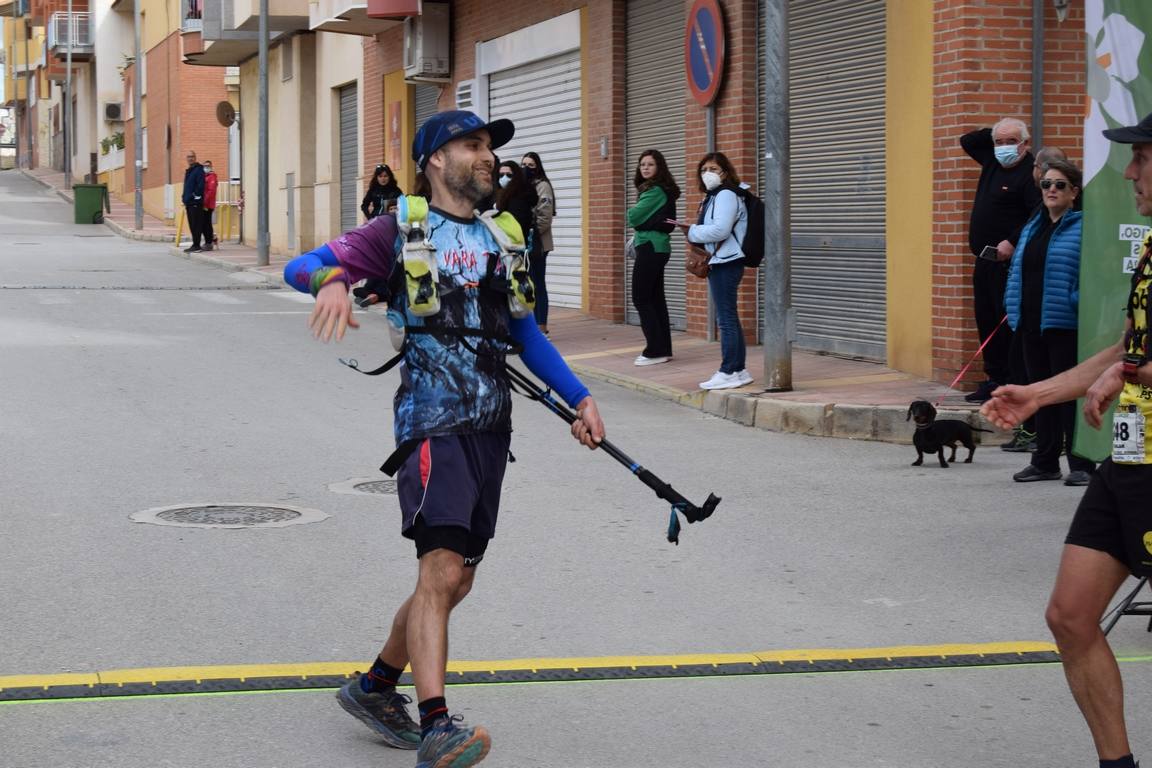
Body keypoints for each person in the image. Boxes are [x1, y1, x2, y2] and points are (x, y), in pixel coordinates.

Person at [283, 109, 605, 768]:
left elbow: (528, 334)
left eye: (489, 146)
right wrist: (334, 281)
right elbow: (304, 265)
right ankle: (436, 726)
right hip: (433, 420)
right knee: (440, 569)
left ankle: (374, 686)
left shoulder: (500, 236)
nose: (488, 157)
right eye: (474, 144)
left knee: (457, 582)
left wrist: (581, 398)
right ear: (436, 160)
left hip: (492, 424)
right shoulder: (400, 228)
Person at [981, 111, 1152, 768]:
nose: (1131, 170)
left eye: (1141, 158)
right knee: (1070, 616)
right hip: (1131, 458)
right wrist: (1039, 394)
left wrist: (1128, 370)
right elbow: (1126, 346)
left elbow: (1130, 360)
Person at [1002, 158, 1095, 486]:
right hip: (1030, 322)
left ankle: (1081, 463)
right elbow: (1019, 268)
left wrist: (1075, 302)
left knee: (1069, 395)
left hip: (1064, 324)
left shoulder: (1084, 226)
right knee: (1039, 394)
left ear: (1074, 192)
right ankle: (1044, 460)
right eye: (1046, 184)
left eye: (1060, 185)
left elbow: (1093, 275)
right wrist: (1012, 304)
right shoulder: (1033, 225)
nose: (1051, 190)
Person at [960, 118, 1042, 403]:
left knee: (1004, 323)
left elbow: (1038, 214)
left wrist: (1013, 239)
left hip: (1009, 264)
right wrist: (997, 130)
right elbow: (968, 140)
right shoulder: (991, 162)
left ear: (1025, 144)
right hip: (984, 260)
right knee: (985, 319)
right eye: (999, 142)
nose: (1004, 147)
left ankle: (1010, 381)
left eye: (1011, 141)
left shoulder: (1030, 174)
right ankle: (993, 379)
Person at [678, 152, 753, 390]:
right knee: (729, 316)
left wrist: (691, 232)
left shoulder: (726, 195)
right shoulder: (714, 196)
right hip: (723, 261)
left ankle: (729, 370)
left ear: (725, 172)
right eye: (704, 169)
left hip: (727, 262)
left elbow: (720, 230)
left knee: (726, 318)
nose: (708, 174)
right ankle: (739, 370)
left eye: (714, 169)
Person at [627, 149, 680, 365]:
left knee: (640, 297)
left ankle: (655, 350)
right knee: (656, 299)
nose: (646, 168)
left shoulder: (654, 191)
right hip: (657, 247)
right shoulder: (659, 190)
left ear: (659, 167)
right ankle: (664, 349)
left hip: (650, 247)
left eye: (650, 164)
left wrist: (642, 222)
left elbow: (633, 217)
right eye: (642, 165)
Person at [521, 152, 554, 335]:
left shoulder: (542, 186)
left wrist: (529, 234)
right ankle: (530, 325)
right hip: (523, 244)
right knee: (526, 285)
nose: (526, 168)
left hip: (538, 244)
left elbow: (544, 217)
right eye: (523, 164)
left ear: (538, 167)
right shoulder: (522, 187)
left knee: (537, 283)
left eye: (531, 165)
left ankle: (542, 326)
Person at [493, 160, 538, 245]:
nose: (504, 178)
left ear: (516, 176)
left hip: (516, 242)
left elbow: (517, 222)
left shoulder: (521, 195)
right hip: (504, 241)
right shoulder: (498, 193)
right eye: (501, 175)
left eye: (509, 175)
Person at [181, 151, 206, 254]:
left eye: (192, 157)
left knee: (196, 225)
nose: (190, 158)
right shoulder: (189, 171)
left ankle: (197, 245)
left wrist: (194, 197)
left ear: (195, 157)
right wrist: (184, 197)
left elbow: (200, 186)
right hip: (189, 203)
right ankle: (195, 244)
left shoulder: (199, 170)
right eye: (188, 157)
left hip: (195, 203)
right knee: (192, 225)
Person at [202, 160, 218, 251]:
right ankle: (212, 239)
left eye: (208, 166)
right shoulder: (205, 176)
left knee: (206, 224)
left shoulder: (212, 177)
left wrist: (204, 202)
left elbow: (211, 191)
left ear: (211, 167)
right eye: (204, 166)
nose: (206, 167)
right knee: (205, 223)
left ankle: (209, 242)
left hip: (208, 204)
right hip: (204, 203)